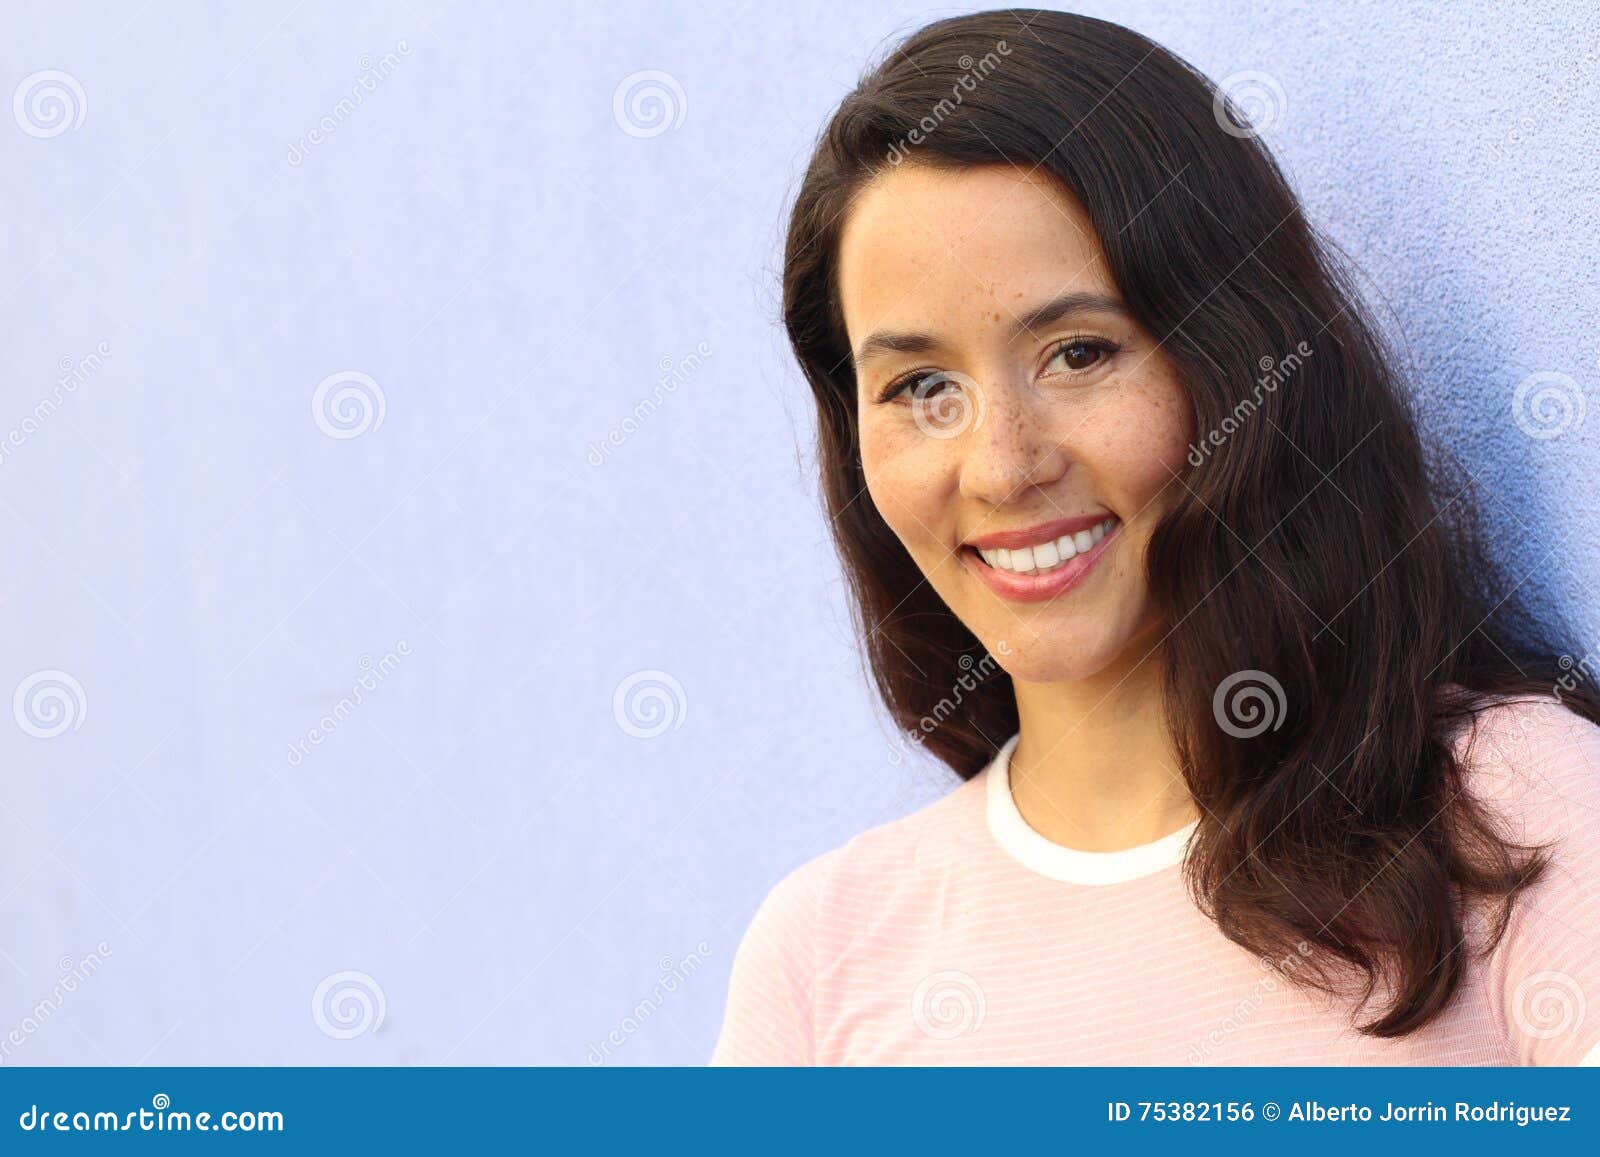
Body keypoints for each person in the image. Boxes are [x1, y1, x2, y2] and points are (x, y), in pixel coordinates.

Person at [710, 8, 1600, 1065]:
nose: (1002, 466)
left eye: (1079, 352)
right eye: (921, 386)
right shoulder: (821, 956)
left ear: (1235, 359)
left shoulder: (1520, 813)